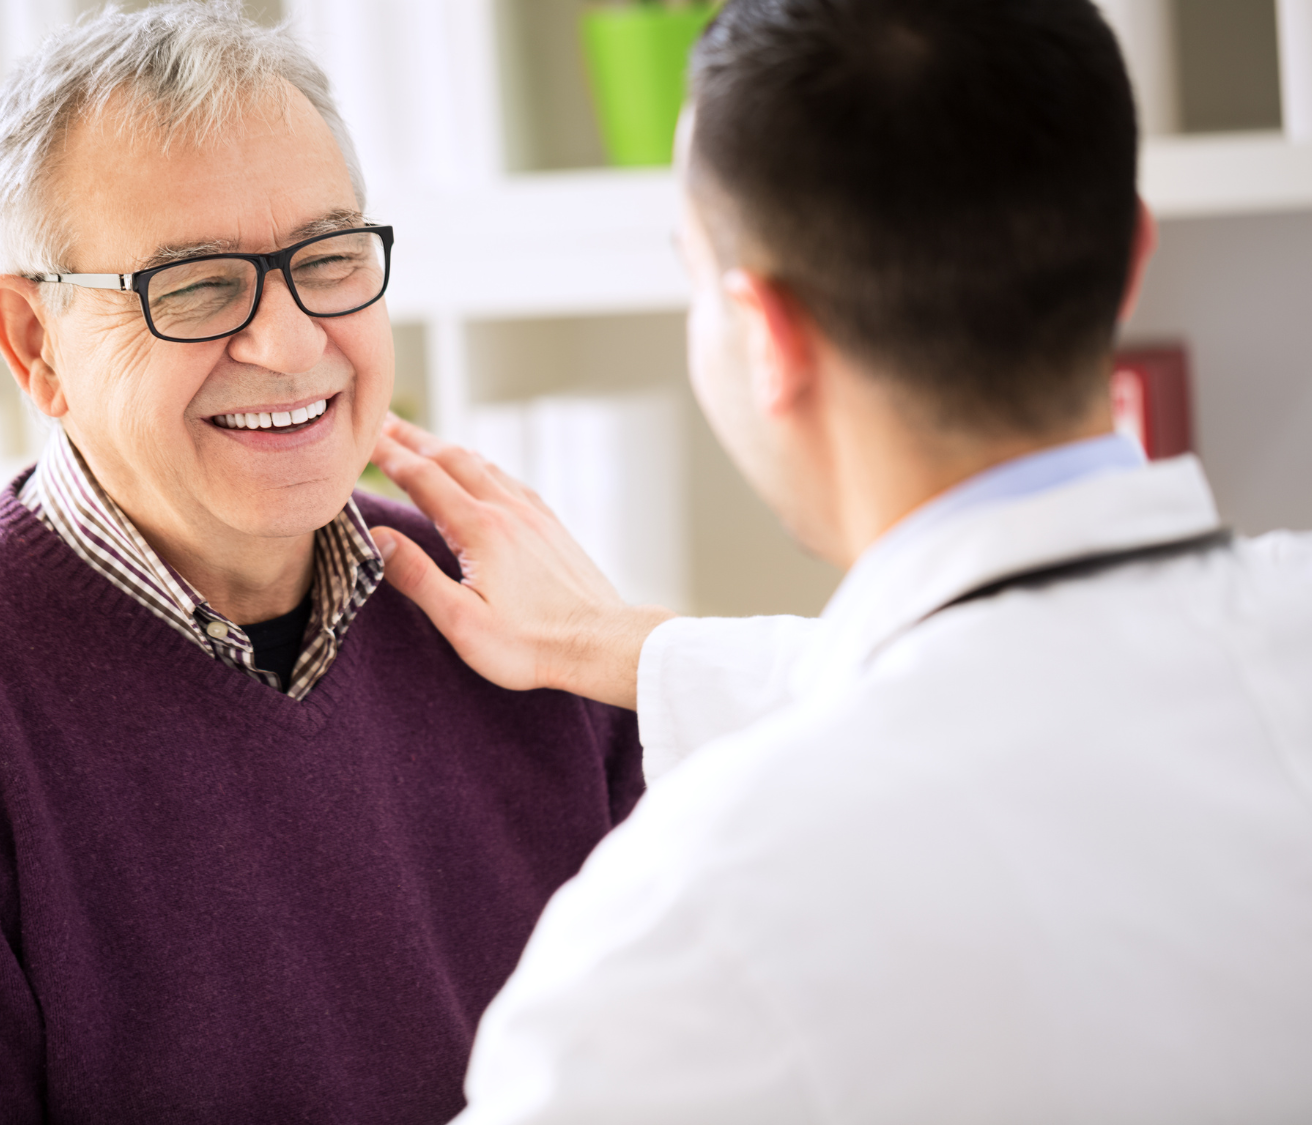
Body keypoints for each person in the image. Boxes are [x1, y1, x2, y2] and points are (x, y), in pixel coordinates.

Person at [367, 0, 1312, 1120]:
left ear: (764, 333)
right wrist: (632, 647)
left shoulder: (693, 932)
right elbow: (1035, 690)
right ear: (1133, 257)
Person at [0, 5, 642, 1121]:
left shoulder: (527, 618)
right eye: (198, 286)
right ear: (34, 343)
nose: (292, 343)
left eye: (331, 257)